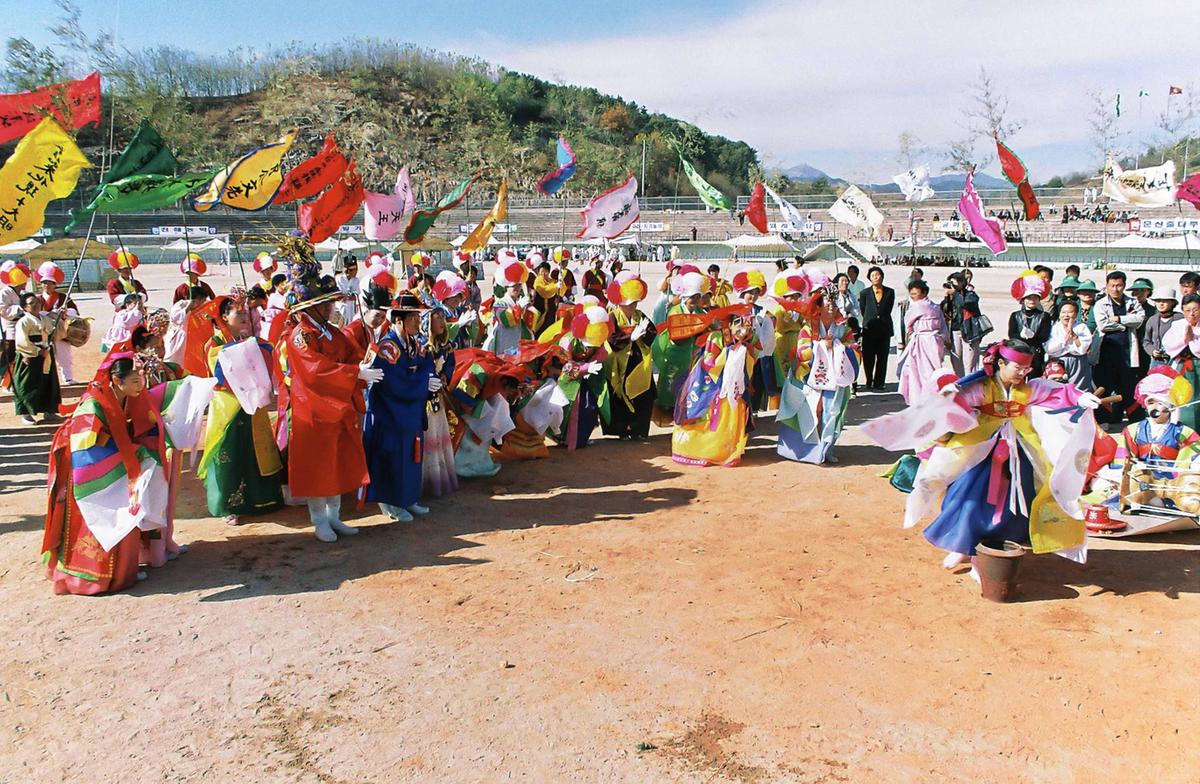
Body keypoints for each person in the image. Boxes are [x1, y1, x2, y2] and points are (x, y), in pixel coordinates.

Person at [866, 339, 1102, 573]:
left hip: (1018, 452)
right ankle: (962, 544)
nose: (1022, 373)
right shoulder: (980, 387)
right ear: (1001, 362)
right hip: (979, 449)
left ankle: (992, 550)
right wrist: (948, 398)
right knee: (967, 498)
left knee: (1018, 503)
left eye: (1026, 369)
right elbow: (956, 404)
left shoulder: (1028, 389)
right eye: (1017, 367)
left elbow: (1057, 391)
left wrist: (1079, 397)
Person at [41, 355, 208, 595]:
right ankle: (92, 577)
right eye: (134, 380)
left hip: (116, 460)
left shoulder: (128, 398)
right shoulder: (93, 403)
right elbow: (88, 437)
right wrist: (127, 451)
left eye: (140, 378)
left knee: (130, 506)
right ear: (117, 381)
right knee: (103, 513)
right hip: (89, 465)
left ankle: (124, 569)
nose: (140, 384)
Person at [276, 240, 373, 542]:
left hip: (337, 403)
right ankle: (319, 519)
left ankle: (335, 516)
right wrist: (354, 372)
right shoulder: (301, 335)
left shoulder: (329, 330)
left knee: (337, 461)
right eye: (328, 303)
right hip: (314, 408)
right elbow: (315, 370)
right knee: (318, 466)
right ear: (314, 306)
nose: (333, 306)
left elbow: (349, 351)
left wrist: (365, 361)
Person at [195, 296, 285, 526]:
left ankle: (262, 499)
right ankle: (227, 505)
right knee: (229, 452)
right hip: (228, 406)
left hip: (253, 404)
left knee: (255, 451)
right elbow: (219, 374)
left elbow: (268, 356)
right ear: (224, 317)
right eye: (238, 313)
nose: (245, 317)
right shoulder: (214, 343)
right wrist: (245, 350)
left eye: (245, 312)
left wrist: (255, 347)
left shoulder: (252, 339)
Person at [364, 293, 436, 522]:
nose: (417, 321)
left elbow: (422, 367)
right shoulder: (388, 346)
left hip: (409, 411)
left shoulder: (414, 342)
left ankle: (408, 498)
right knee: (394, 458)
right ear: (398, 320)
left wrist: (430, 372)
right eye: (412, 317)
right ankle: (392, 504)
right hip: (391, 412)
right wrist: (424, 382)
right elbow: (394, 382)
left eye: (417, 316)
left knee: (412, 456)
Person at [776, 291, 859, 463]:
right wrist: (821, 346)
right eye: (828, 303)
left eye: (834, 303)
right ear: (819, 307)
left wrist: (836, 346)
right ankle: (809, 451)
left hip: (834, 380)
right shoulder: (808, 328)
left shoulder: (844, 330)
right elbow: (802, 352)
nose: (831, 306)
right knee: (811, 412)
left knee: (831, 412)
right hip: (809, 379)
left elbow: (854, 351)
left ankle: (826, 449)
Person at [672, 311, 758, 467]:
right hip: (712, 385)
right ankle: (706, 451)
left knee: (734, 414)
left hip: (736, 387)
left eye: (747, 323)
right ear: (730, 324)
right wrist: (730, 351)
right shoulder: (716, 337)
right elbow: (709, 362)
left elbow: (752, 360)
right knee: (710, 416)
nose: (743, 327)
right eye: (738, 322)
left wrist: (743, 348)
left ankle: (728, 450)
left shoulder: (748, 341)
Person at [603, 272, 656, 440]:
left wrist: (643, 334)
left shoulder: (639, 316)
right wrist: (629, 337)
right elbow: (611, 338)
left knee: (643, 394)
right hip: (620, 363)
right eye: (631, 303)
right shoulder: (612, 316)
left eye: (635, 303)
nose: (634, 306)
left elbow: (652, 331)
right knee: (621, 396)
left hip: (638, 362)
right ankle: (622, 430)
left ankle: (638, 430)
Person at [651, 268, 708, 425]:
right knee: (669, 385)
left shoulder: (699, 311)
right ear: (686, 297)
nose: (695, 301)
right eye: (693, 298)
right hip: (675, 353)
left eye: (697, 297)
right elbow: (678, 331)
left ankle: (683, 414)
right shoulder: (675, 311)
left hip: (690, 354)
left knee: (688, 384)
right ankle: (666, 415)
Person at [554, 305, 611, 450]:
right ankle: (562, 437)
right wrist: (584, 368)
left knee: (590, 407)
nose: (589, 348)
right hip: (565, 380)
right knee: (566, 407)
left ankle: (581, 438)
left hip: (587, 378)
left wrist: (593, 364)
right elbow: (563, 366)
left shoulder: (598, 337)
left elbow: (601, 353)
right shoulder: (567, 341)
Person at [1092, 271, 1146, 427]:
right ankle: (1103, 420)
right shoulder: (1101, 303)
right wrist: (1124, 325)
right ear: (1107, 286)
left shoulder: (1132, 302)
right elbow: (1103, 324)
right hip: (1105, 352)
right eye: (1112, 285)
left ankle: (1136, 421)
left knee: (1129, 387)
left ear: (1124, 286)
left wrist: (1120, 319)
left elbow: (1139, 319)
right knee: (1103, 387)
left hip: (1127, 353)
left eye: (1119, 285)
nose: (1115, 289)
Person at [417, 304, 458, 498]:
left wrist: (444, 376)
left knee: (438, 438)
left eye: (443, 317)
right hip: (422, 401)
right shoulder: (421, 346)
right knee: (427, 439)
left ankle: (437, 480)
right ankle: (423, 483)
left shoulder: (446, 346)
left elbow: (450, 364)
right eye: (437, 317)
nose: (442, 321)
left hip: (437, 399)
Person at [896, 279, 949, 404]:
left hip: (928, 340)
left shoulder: (923, 306)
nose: (913, 296)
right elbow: (943, 326)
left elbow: (908, 324)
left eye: (916, 293)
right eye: (911, 294)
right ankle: (929, 395)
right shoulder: (934, 306)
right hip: (930, 341)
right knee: (926, 369)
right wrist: (945, 338)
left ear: (924, 292)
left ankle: (924, 395)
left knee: (923, 371)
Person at [12, 293, 62, 424]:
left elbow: (54, 333)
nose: (36, 305)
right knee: (28, 384)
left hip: (46, 353)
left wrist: (59, 317)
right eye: (32, 303)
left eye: (37, 302)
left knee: (48, 381)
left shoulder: (44, 319)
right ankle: (26, 413)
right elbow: (21, 342)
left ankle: (49, 410)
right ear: (25, 307)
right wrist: (38, 351)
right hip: (30, 355)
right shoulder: (23, 322)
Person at [35, 262, 80, 385]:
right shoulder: (37, 299)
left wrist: (66, 312)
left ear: (55, 284)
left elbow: (74, 311)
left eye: (49, 283)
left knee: (64, 354)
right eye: (44, 282)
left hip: (60, 330)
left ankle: (68, 377)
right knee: (44, 355)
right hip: (44, 330)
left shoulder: (63, 297)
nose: (46, 285)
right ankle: (43, 379)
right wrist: (46, 314)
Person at [1162, 294, 1200, 433]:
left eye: (1195, 309)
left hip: (1198, 367)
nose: (1192, 314)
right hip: (1181, 368)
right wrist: (1185, 339)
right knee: (1180, 401)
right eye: (1188, 310)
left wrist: (1193, 339)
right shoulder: (1177, 325)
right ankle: (1183, 432)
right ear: (1182, 310)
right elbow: (1168, 345)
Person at [1006, 273, 1052, 375]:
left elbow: (1044, 336)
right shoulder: (1015, 315)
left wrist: (1033, 336)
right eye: (1029, 297)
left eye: (1035, 297)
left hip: (1036, 354)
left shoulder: (1045, 316)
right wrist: (1021, 337)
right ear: (1023, 300)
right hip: (1019, 352)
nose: (1032, 300)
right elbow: (1012, 335)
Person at [857, 265, 894, 391]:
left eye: (877, 275)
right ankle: (869, 380)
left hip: (884, 328)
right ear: (869, 278)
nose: (875, 277)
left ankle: (879, 382)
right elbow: (863, 309)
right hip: (869, 329)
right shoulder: (864, 293)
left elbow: (888, 309)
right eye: (873, 275)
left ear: (882, 277)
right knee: (868, 357)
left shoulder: (890, 292)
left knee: (882, 357)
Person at [1045, 300, 1094, 391]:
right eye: (1063, 312)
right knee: (1057, 388)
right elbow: (1049, 348)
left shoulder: (1082, 327)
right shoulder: (1053, 328)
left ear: (1076, 314)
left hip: (1078, 361)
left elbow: (1083, 348)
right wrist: (1064, 340)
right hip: (1058, 361)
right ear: (1059, 314)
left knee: (1079, 389)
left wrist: (1075, 337)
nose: (1066, 315)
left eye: (1070, 312)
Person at [0, 261, 28, 390]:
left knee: (20, 356)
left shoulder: (23, 294)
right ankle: (5, 382)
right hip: (10, 329)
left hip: (22, 328)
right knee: (8, 357)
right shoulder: (5, 292)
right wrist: (20, 309)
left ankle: (15, 381)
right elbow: (3, 310)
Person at [1143, 287, 1182, 369]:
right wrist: (1153, 351)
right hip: (1157, 361)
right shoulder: (1152, 320)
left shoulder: (1181, 319)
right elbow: (1146, 341)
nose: (1161, 304)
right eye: (1158, 301)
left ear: (1172, 303)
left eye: (1165, 301)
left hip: (1176, 360)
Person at [333, 255, 361, 327]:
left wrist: (350, 297)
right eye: (352, 270)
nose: (355, 272)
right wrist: (342, 296)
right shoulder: (339, 279)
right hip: (340, 309)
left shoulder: (356, 280)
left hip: (351, 310)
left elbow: (357, 295)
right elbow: (336, 294)